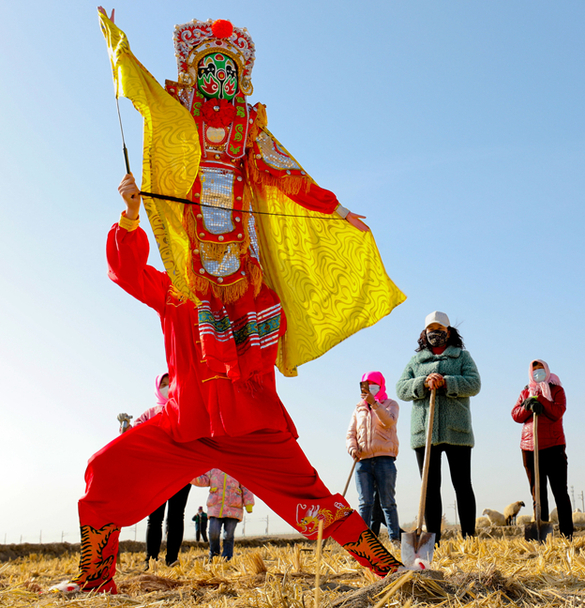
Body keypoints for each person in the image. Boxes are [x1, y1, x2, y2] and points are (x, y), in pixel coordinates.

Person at [51, 10, 405, 594]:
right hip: (183, 426)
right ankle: (94, 580)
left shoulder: (254, 299)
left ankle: (391, 572)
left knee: (313, 503)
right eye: (206, 69)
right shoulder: (180, 291)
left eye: (227, 70)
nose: (217, 79)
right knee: (104, 473)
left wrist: (337, 209)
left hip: (250, 431)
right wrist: (132, 212)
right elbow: (123, 269)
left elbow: (286, 172)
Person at [396, 311, 481, 541]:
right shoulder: (416, 361)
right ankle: (432, 539)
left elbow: (474, 384)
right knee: (430, 488)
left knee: (462, 484)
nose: (436, 334)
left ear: (448, 332)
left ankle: (469, 537)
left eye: (440, 330)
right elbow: (401, 389)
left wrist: (447, 381)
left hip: (457, 431)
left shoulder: (462, 357)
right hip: (425, 433)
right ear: (425, 333)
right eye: (431, 330)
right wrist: (422, 382)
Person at [129, 373, 191, 567]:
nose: (166, 387)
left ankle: (172, 558)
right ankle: (151, 559)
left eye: (170, 383)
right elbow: (135, 433)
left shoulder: (185, 409)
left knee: (176, 516)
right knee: (154, 516)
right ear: (157, 388)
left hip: (181, 470)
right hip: (156, 472)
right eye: (163, 384)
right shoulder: (150, 413)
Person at [511, 359, 574, 539]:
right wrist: (528, 406)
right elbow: (515, 415)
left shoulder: (556, 390)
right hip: (530, 448)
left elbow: (557, 412)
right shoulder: (525, 392)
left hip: (553, 446)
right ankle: (541, 533)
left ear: (547, 371)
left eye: (541, 369)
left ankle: (566, 533)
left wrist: (542, 401)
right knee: (538, 493)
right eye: (535, 370)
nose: (538, 372)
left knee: (560, 492)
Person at [345, 371, 402, 543]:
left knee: (388, 502)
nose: (370, 388)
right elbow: (350, 434)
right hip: (363, 462)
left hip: (385, 459)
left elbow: (389, 421)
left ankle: (395, 540)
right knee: (365, 503)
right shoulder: (358, 408)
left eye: (373, 384)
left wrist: (375, 404)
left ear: (381, 385)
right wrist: (352, 449)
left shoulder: (391, 404)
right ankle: (365, 542)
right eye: (366, 385)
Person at [191, 469, 254, 561]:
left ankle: (227, 557)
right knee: (213, 532)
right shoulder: (213, 470)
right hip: (215, 507)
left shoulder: (238, 469)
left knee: (228, 535)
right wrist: (190, 478)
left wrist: (249, 503)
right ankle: (214, 554)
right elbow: (203, 479)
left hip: (233, 509)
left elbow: (246, 486)